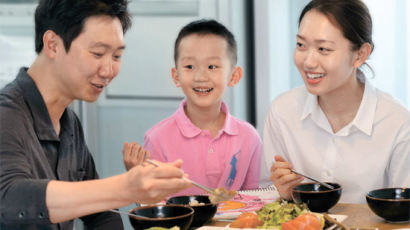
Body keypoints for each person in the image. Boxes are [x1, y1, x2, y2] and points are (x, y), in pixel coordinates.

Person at [0, 0, 191, 229]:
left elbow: (102, 215)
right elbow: (10, 200)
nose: (109, 70)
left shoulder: (69, 123)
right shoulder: (6, 114)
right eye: (98, 53)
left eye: (117, 56)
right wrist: (125, 188)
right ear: (52, 44)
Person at [262, 0, 410, 203]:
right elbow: (266, 196)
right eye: (301, 45)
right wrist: (284, 193)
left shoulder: (398, 122)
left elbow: (404, 212)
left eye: (323, 49)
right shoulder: (283, 111)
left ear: (360, 55)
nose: (308, 62)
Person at [132, 19, 262, 196]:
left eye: (212, 66)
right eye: (190, 67)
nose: (201, 76)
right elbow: (152, 207)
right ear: (176, 75)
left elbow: (255, 199)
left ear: (234, 76)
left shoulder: (249, 137)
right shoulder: (157, 139)